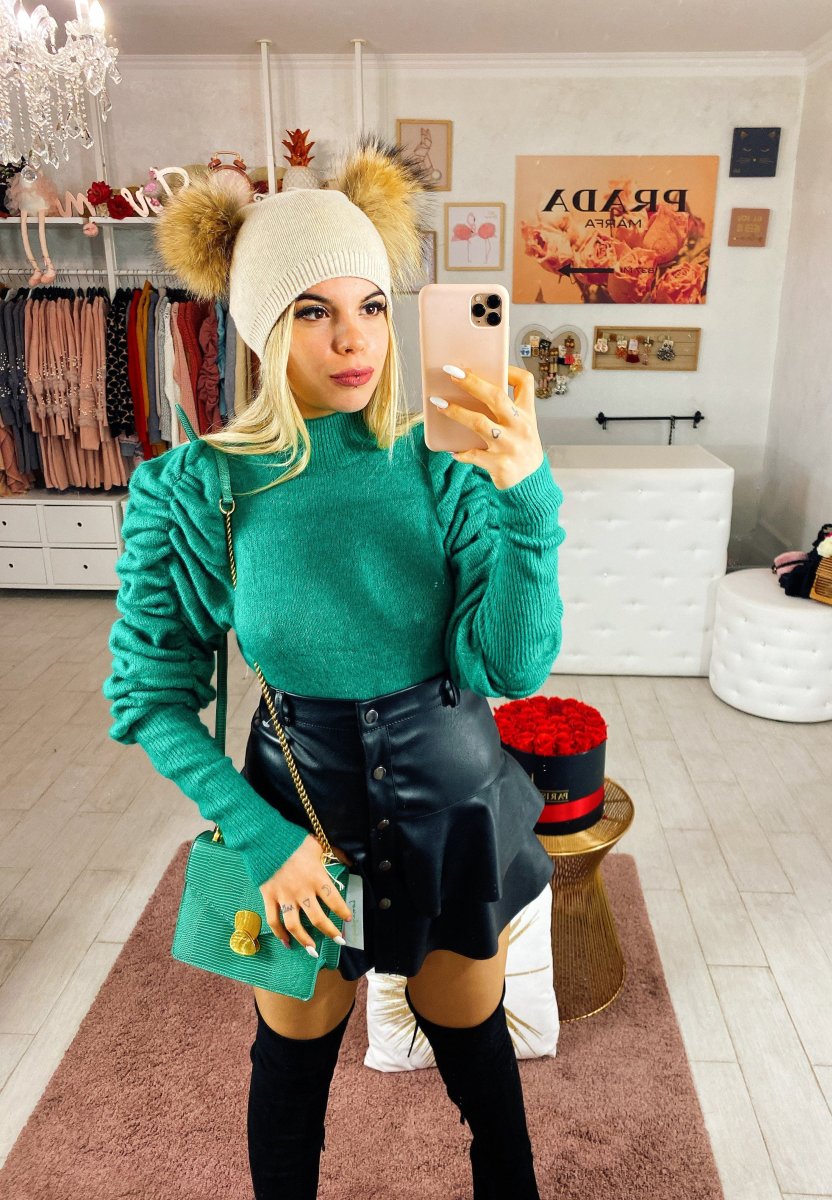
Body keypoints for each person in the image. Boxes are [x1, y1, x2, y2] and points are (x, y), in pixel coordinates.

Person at [103, 132, 566, 1200]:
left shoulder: (445, 462)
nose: (353, 338)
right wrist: (263, 839)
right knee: (292, 1060)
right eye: (313, 311)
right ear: (264, 327)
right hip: (297, 816)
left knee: (475, 1047)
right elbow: (150, 697)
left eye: (369, 305)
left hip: (453, 804)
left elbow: (511, 666)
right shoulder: (195, 489)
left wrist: (528, 498)